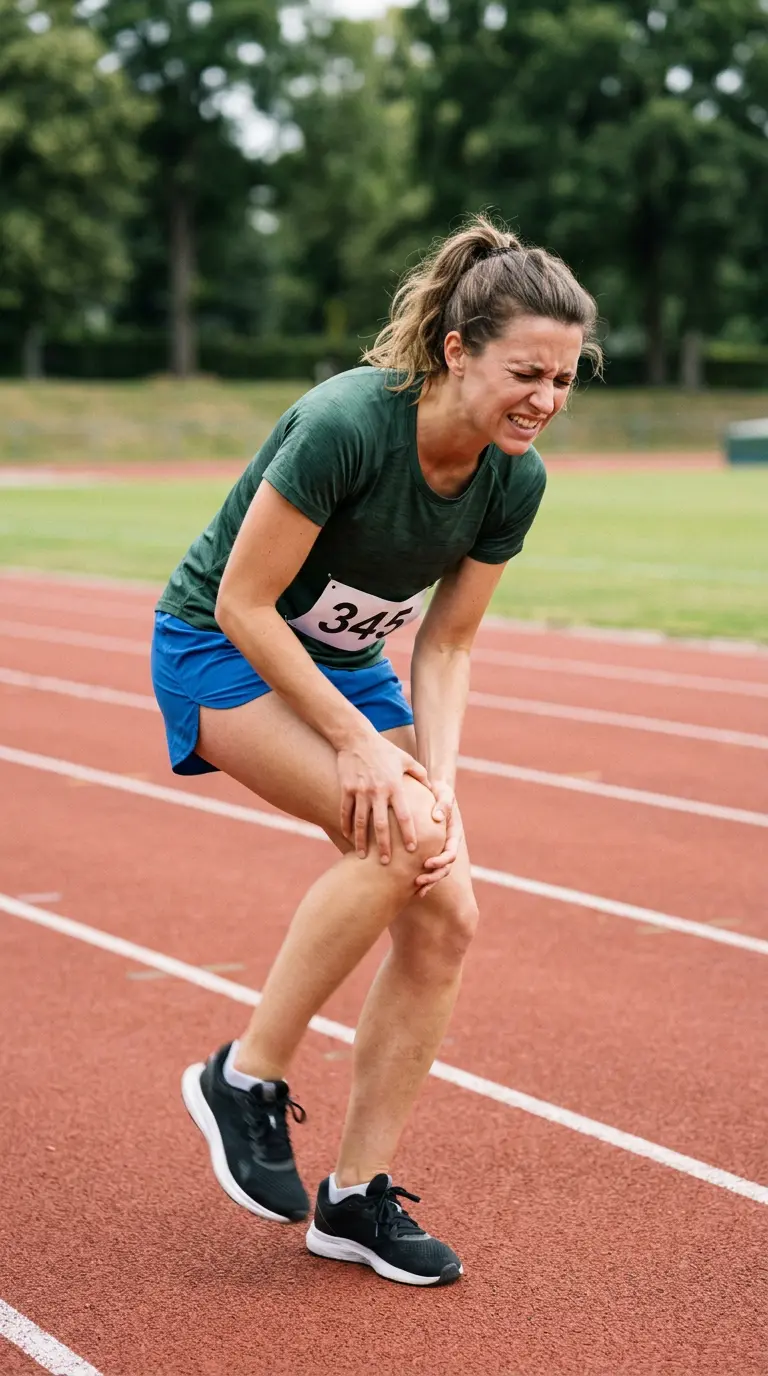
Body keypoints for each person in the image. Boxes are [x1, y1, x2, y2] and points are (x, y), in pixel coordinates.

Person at [151, 214, 601, 1288]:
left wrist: (440, 785)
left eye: (567, 377)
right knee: (391, 835)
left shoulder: (512, 478)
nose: (546, 397)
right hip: (221, 648)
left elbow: (445, 643)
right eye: (526, 371)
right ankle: (244, 1075)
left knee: (447, 903)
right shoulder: (348, 422)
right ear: (458, 349)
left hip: (342, 667)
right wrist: (362, 747)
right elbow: (245, 601)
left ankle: (354, 1197)